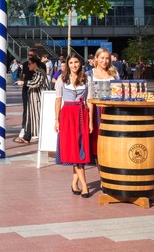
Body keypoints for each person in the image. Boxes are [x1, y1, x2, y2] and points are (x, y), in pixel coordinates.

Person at [55, 53, 94, 198]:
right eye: (71, 63)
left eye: (76, 62)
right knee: (73, 149)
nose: (73, 65)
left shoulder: (87, 79)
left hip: (82, 114)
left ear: (80, 63)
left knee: (80, 148)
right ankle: (84, 186)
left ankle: (74, 182)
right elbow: (58, 101)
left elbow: (90, 101)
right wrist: (56, 119)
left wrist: (90, 120)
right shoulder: (61, 79)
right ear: (67, 64)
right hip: (67, 115)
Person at [13, 56, 46, 144]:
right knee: (31, 117)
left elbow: (36, 83)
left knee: (36, 117)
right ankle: (27, 136)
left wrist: (24, 82)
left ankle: (33, 136)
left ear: (35, 64)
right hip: (33, 98)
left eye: (30, 64)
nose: (28, 66)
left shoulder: (40, 72)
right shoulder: (37, 72)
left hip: (38, 99)